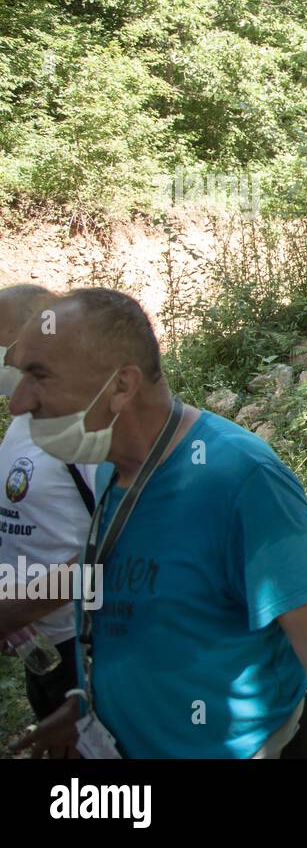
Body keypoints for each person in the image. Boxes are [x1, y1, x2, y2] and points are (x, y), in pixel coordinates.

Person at [11, 288, 307, 758]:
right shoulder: (110, 466)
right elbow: (145, 621)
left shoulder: (244, 479)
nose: (18, 403)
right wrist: (91, 709)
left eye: (38, 375)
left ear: (121, 386)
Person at [0, 285, 95, 724]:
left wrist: (16, 608)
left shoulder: (91, 429)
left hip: (91, 645)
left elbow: (123, 545)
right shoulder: (23, 419)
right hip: (37, 645)